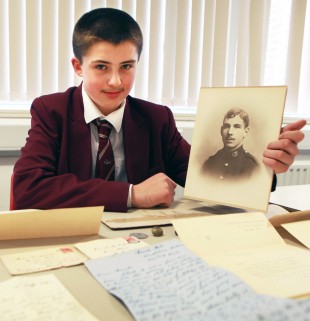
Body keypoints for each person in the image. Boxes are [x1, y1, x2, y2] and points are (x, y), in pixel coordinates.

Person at [13, 8, 306, 212]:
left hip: (140, 243)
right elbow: (28, 188)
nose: (116, 81)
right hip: (73, 241)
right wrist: (131, 194)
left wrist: (265, 164)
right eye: (101, 67)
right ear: (78, 67)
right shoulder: (51, 110)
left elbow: (210, 179)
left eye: (126, 66)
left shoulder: (156, 119)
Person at [202, 108, 259, 180]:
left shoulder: (252, 166)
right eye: (226, 126)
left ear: (246, 132)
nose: (230, 132)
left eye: (236, 127)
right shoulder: (210, 163)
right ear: (221, 130)